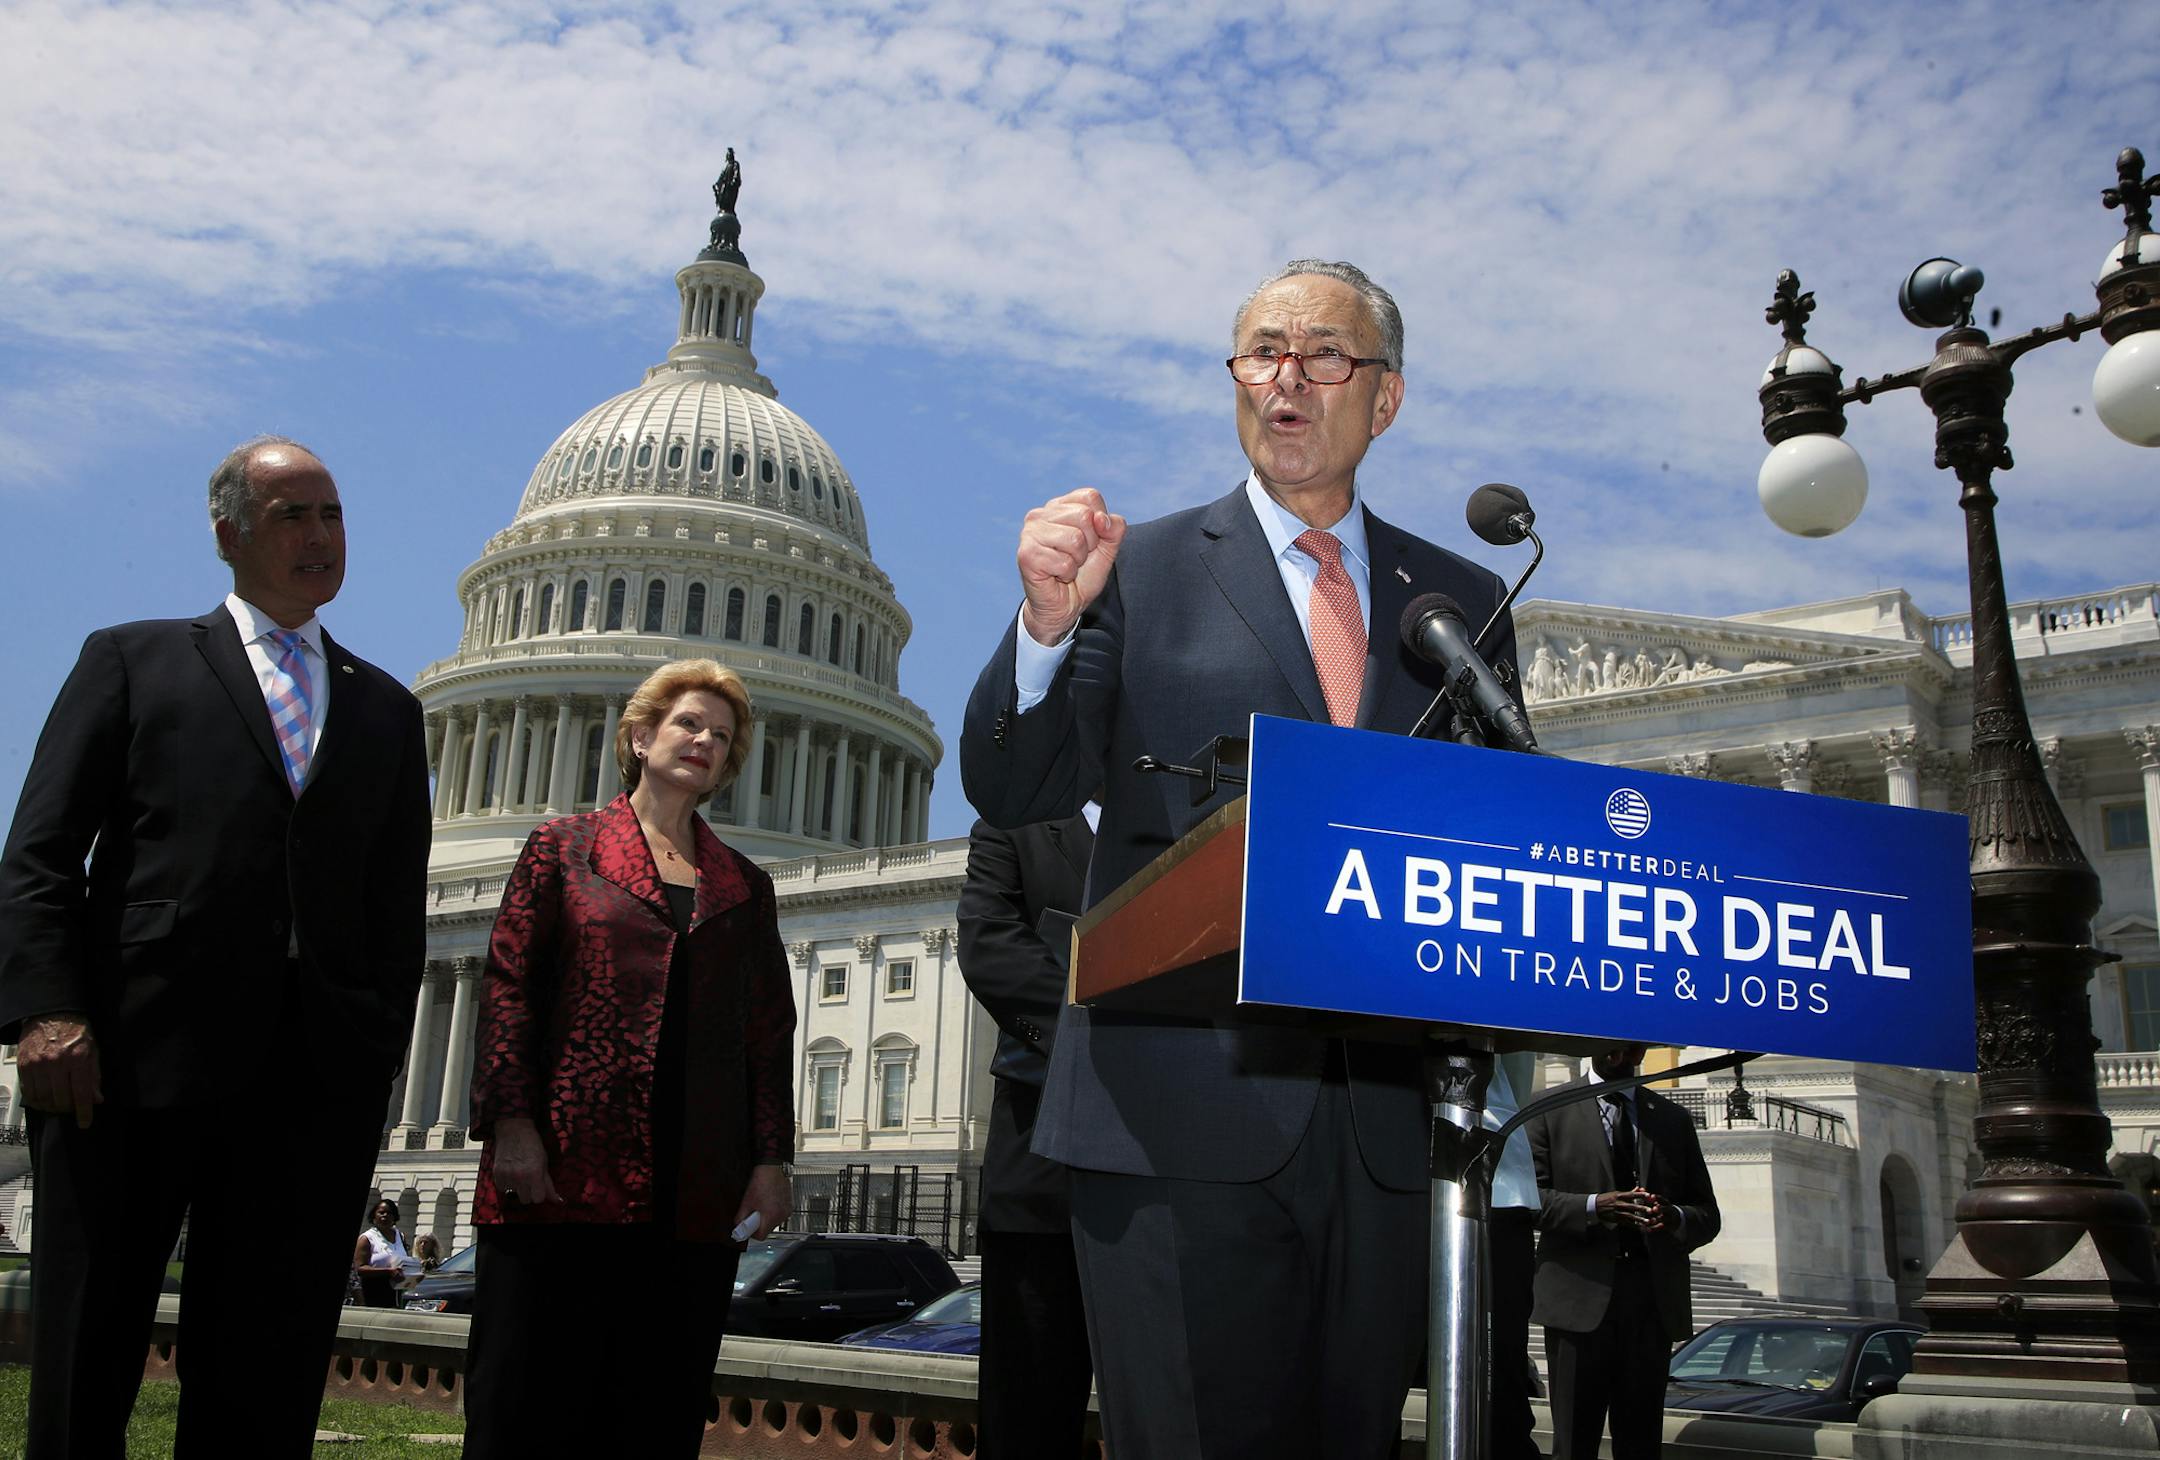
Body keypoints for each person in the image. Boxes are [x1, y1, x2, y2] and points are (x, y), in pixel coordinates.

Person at [960, 260, 1519, 1459]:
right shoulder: (1136, 570)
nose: (1287, 378)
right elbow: (1017, 785)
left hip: (1385, 1137)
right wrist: (1045, 630)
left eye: (1326, 355)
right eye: (1263, 351)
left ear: (1387, 397)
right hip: (1173, 1119)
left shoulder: (1461, 597)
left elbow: (1494, 841)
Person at [0, 435, 432, 1457]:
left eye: (333, 514)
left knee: (267, 1362)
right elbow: (43, 849)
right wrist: (48, 1010)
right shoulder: (133, 658)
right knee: (88, 1335)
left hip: (309, 1079)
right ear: (228, 530)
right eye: (294, 514)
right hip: (131, 1058)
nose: (321, 536)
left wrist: (373, 1050)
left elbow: (392, 909)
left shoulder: (385, 706)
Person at [462, 658, 797, 1459]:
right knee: (529, 1403)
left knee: (655, 1408)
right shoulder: (562, 849)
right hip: (566, 1170)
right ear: (640, 736)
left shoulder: (744, 886)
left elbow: (767, 1032)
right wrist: (512, 1125)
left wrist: (772, 1160)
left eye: (722, 736)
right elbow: (510, 990)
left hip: (693, 1189)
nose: (705, 742)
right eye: (689, 724)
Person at [957, 809, 1098, 1460]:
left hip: (1174, 1184)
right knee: (1029, 1425)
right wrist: (1105, 1031)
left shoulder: (1189, 811)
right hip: (1043, 1179)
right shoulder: (1013, 823)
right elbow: (989, 945)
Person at [1525, 1043, 1720, 1460]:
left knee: (1641, 1442)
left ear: (1643, 1052)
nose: (1620, 1060)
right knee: (1574, 1443)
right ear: (1590, 1047)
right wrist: (1596, 1206)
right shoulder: (1546, 1109)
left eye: (1630, 1052)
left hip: (1651, 1305)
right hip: (1577, 1304)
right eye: (1610, 1051)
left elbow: (1708, 1214)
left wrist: (1674, 1217)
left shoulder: (1672, 1120)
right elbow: (1527, 1200)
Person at [353, 1197, 411, 1309]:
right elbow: (360, 1269)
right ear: (374, 1216)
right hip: (374, 1290)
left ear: (394, 1217)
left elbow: (404, 1260)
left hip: (397, 1292)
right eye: (381, 1212)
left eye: (389, 1213)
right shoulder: (367, 1238)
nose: (385, 1216)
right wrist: (388, 1271)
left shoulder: (400, 1236)